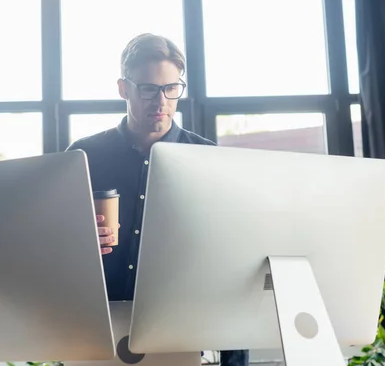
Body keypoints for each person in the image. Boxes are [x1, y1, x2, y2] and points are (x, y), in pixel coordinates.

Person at [66, 33, 249, 366]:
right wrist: (76, 236)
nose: (161, 101)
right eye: (149, 89)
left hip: (180, 328)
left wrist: (233, 361)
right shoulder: (84, 155)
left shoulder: (208, 158)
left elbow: (230, 261)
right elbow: (49, 246)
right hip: (95, 329)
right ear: (124, 88)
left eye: (171, 89)